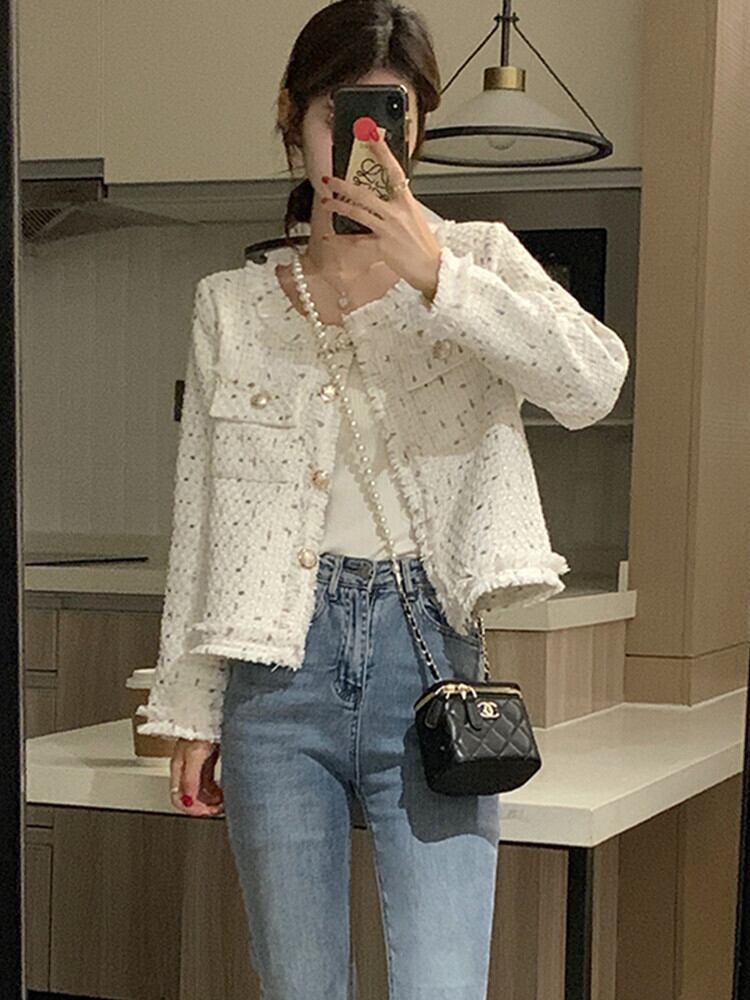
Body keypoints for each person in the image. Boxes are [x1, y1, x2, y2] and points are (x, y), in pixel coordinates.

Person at [136, 2, 630, 996]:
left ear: (419, 128)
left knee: (442, 983)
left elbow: (595, 381)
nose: (365, 141)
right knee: (299, 984)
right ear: (295, 117)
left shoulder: (476, 260)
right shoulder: (231, 305)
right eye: (342, 115)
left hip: (428, 661)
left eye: (390, 116)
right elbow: (202, 516)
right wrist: (191, 702)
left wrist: (435, 272)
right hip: (276, 674)